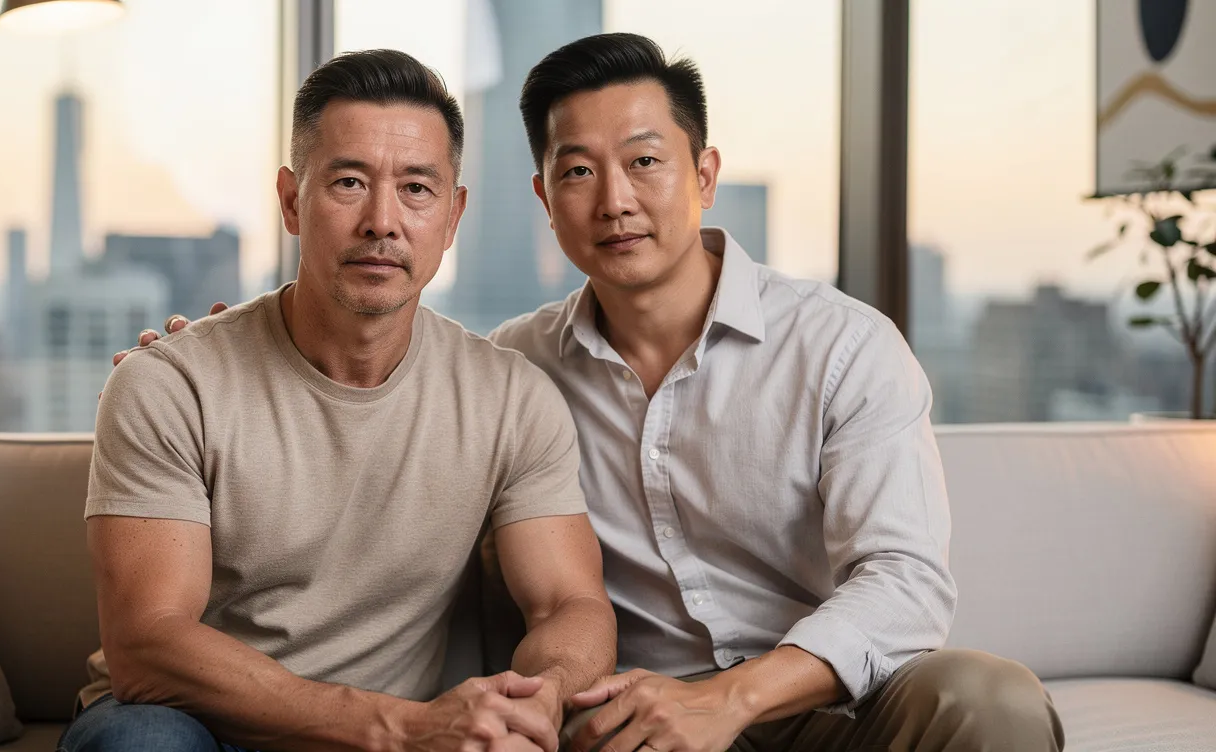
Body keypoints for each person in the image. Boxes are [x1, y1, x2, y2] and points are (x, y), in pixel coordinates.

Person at [133, 34, 1066, 752]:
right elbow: (361, 371)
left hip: (824, 701)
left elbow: (905, 583)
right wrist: (217, 353)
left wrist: (728, 699)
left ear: (704, 175)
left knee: (989, 700)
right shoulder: (518, 368)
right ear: (545, 201)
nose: (614, 199)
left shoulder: (841, 347)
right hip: (632, 721)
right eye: (578, 171)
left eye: (645, 161)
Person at [64, 49, 617, 752]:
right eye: (349, 182)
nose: (382, 221)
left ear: (453, 215)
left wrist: (539, 699)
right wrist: (401, 727)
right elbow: (148, 644)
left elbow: (570, 603)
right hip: (201, 725)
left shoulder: (511, 399)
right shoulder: (171, 385)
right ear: (292, 200)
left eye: (417, 189)